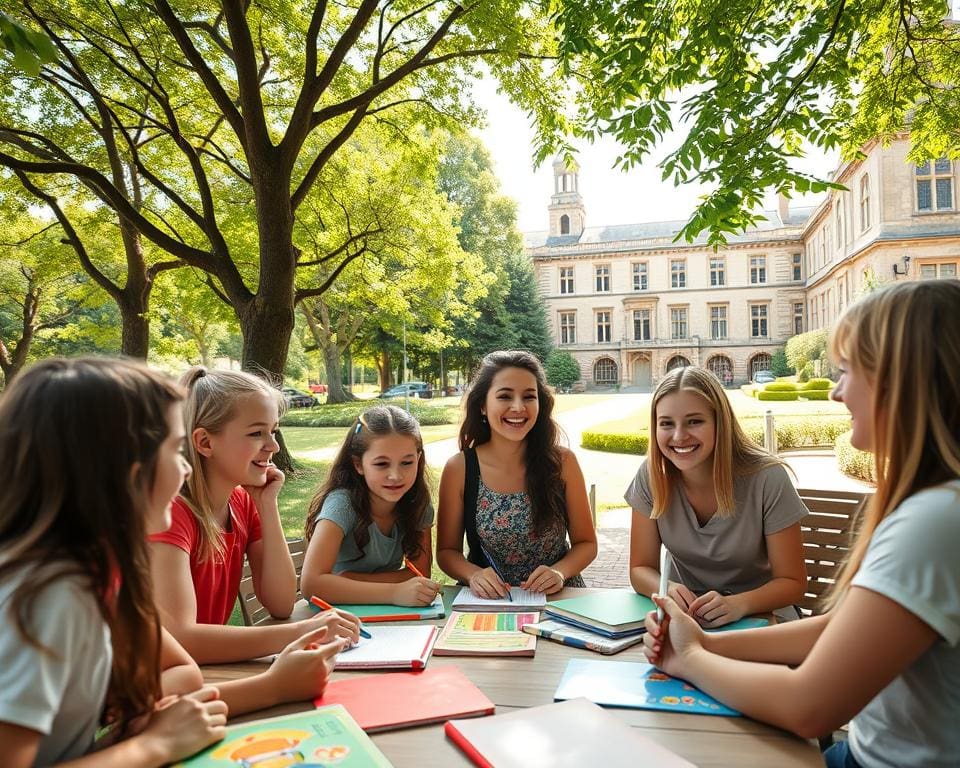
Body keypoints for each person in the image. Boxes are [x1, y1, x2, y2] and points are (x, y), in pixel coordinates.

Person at [643, 280, 960, 767]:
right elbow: (836, 628)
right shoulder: (936, 507)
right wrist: (702, 641)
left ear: (905, 381)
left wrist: (690, 660)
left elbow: (809, 708)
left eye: (849, 370)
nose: (836, 392)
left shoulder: (934, 522)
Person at [0, 357, 226, 766]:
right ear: (132, 476)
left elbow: (181, 671)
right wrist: (153, 746)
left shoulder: (95, 574)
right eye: (176, 451)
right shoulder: (50, 597)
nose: (187, 469)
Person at [149, 367, 359, 664]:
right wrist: (304, 632)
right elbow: (181, 639)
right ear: (205, 442)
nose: (273, 446)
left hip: (201, 674)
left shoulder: (242, 502)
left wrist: (267, 505)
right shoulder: (171, 513)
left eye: (273, 431)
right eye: (256, 433)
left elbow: (281, 602)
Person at [625, 365, 808, 626]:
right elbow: (640, 569)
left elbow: (793, 583)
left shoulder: (768, 477)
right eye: (666, 423)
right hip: (689, 619)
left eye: (694, 421)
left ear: (719, 422)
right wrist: (669, 589)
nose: (679, 436)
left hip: (763, 617)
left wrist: (738, 604)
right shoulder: (651, 476)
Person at [437, 350, 597, 597]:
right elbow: (447, 552)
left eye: (529, 396)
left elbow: (586, 544)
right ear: (482, 405)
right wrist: (473, 574)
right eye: (504, 396)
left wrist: (560, 572)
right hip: (488, 601)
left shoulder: (563, 462)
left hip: (558, 599)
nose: (518, 407)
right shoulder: (460, 468)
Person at [300, 405, 439, 605]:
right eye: (381, 464)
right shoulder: (341, 504)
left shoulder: (418, 505)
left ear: (418, 459)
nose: (396, 476)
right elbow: (311, 585)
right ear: (358, 465)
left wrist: (347, 579)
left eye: (407, 462)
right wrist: (393, 593)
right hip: (337, 619)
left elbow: (419, 573)